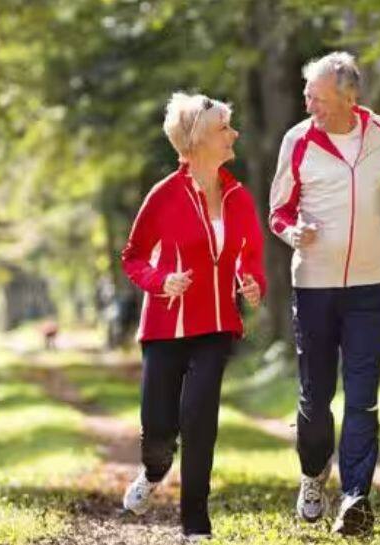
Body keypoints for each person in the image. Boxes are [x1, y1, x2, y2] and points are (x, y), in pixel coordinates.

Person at [268, 51, 380, 536]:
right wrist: (294, 233)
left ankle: (355, 497)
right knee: (316, 400)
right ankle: (314, 475)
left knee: (363, 396)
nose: (309, 104)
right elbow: (278, 211)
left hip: (371, 285)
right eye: (308, 95)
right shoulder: (297, 141)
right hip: (313, 285)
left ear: (349, 98)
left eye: (319, 97)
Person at [120, 91, 266, 541]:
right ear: (198, 140)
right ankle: (152, 471)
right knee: (159, 430)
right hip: (165, 327)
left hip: (217, 325)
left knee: (200, 420)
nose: (234, 134)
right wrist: (160, 281)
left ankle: (195, 525)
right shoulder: (164, 196)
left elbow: (251, 254)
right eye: (225, 128)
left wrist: (251, 281)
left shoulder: (238, 197)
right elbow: (133, 256)